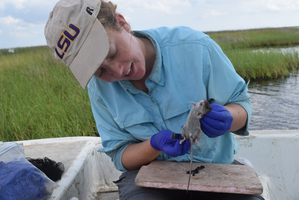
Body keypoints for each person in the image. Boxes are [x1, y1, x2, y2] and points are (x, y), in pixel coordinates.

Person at [44, 0, 264, 199]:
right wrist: (153, 145)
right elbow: (120, 155)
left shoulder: (195, 47)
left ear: (122, 23)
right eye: (99, 70)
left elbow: (241, 106)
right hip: (148, 182)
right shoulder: (98, 89)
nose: (117, 71)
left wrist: (228, 117)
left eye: (111, 53)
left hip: (215, 169)